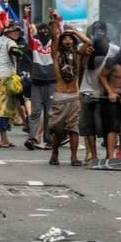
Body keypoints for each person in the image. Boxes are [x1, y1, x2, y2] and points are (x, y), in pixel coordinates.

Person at [46, 10, 91, 166]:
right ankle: (55, 153)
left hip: (74, 97)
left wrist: (74, 31)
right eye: (64, 38)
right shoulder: (56, 55)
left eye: (70, 38)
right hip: (60, 97)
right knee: (58, 130)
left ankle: (74, 157)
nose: (67, 40)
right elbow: (54, 37)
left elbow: (88, 43)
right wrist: (55, 20)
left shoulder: (78, 55)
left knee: (74, 129)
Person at [79, 21, 119, 163]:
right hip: (86, 91)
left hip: (103, 93)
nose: (99, 32)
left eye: (102, 29)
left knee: (107, 126)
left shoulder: (114, 49)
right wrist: (85, 52)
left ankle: (109, 155)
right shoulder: (86, 47)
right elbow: (80, 63)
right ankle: (93, 155)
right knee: (88, 127)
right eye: (96, 29)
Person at [23, 5, 56, 150]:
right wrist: (27, 17)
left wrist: (54, 19)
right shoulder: (35, 43)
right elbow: (28, 32)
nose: (44, 32)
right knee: (35, 112)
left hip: (51, 82)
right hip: (37, 82)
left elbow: (57, 34)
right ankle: (32, 138)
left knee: (50, 113)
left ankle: (49, 139)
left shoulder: (53, 44)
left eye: (46, 30)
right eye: (41, 30)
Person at [0, 22, 23, 147]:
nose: (17, 33)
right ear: (7, 32)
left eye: (18, 31)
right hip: (4, 78)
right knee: (3, 109)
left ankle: (4, 138)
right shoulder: (10, 42)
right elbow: (15, 51)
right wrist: (21, 51)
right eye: (14, 31)